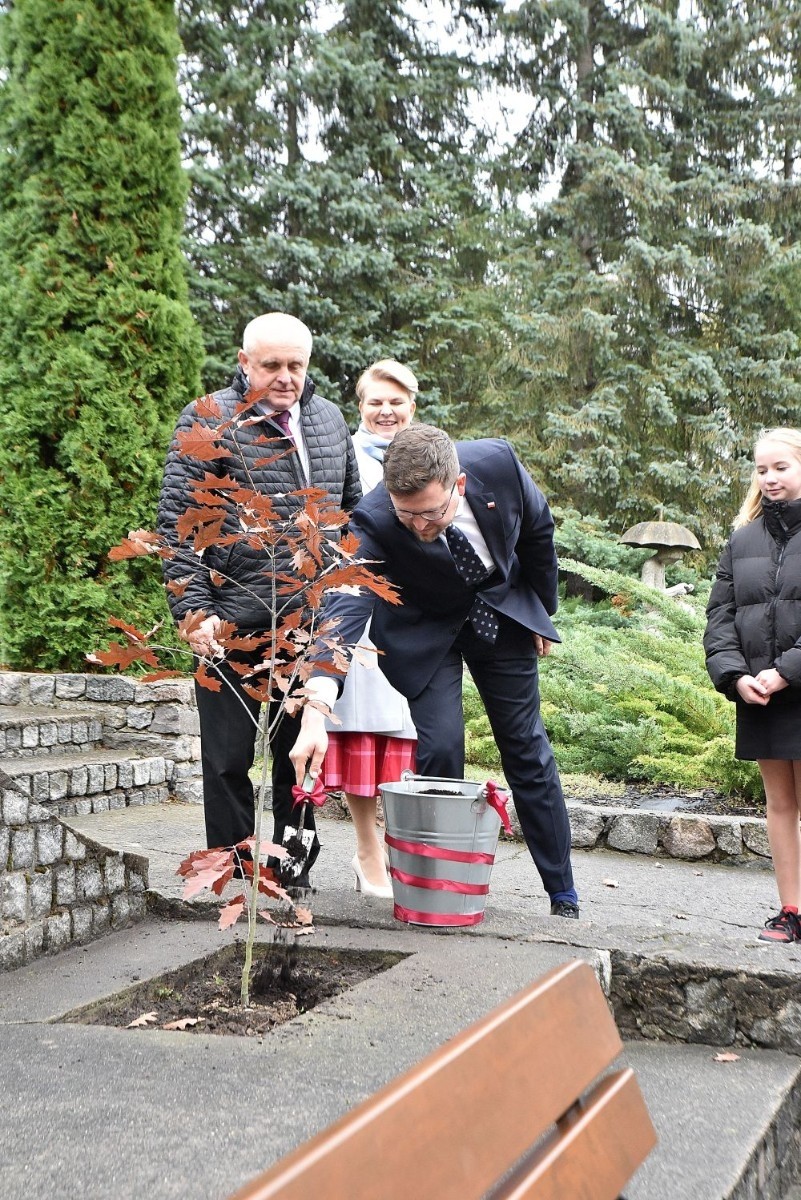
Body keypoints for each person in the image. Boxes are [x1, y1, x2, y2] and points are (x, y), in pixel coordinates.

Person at [291, 423, 579, 918]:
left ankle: (563, 895)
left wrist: (540, 611)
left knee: (525, 746)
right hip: (425, 630)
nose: (421, 526)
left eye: (431, 512)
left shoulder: (500, 465)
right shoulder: (374, 519)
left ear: (459, 485)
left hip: (500, 611)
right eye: (409, 516)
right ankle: (439, 893)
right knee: (441, 746)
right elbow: (342, 607)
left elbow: (537, 531)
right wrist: (317, 705)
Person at [157, 312, 362, 884]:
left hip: (308, 624)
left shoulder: (327, 420)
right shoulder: (208, 419)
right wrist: (193, 612)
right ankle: (231, 880)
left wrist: (342, 599)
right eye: (271, 365)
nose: (285, 377)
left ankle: (293, 877)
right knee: (226, 761)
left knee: (298, 758)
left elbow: (352, 517)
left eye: (296, 365)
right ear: (244, 362)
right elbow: (178, 529)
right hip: (227, 623)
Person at [322, 360, 419, 898]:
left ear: (413, 406)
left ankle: (403, 846)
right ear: (360, 406)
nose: (385, 411)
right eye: (375, 401)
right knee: (366, 731)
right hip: (357, 613)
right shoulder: (343, 458)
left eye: (396, 401)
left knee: (410, 732)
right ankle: (367, 849)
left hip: (415, 615)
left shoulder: (433, 454)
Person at [705, 427, 801, 944]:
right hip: (759, 694)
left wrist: (787, 669)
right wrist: (736, 675)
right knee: (779, 804)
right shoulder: (742, 539)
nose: (768, 478)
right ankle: (791, 910)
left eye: (780, 467)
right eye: (761, 469)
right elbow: (719, 616)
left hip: (796, 685)